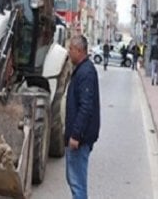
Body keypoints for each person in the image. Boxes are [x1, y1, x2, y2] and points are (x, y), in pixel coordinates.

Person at [65, 35, 100, 199]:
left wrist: (76, 135)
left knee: (77, 183)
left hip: (80, 139)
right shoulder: (83, 70)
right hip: (80, 136)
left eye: (71, 49)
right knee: (74, 180)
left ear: (79, 50)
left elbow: (86, 107)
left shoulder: (85, 73)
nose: (68, 52)